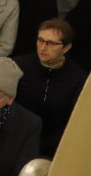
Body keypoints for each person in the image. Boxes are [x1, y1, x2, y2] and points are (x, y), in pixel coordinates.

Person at [15, 19, 87, 157]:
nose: (42, 47)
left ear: (66, 48)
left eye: (51, 43)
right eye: (40, 40)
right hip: (18, 142)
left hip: (56, 149)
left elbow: (73, 121)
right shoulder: (19, 66)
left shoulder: (78, 77)